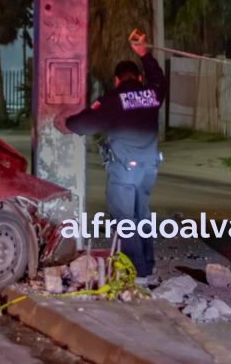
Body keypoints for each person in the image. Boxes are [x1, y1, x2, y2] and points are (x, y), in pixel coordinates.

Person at [59, 31, 166, 278]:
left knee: (125, 221)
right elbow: (159, 79)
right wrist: (144, 53)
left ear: (117, 80)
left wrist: (67, 122)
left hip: (124, 170)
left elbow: (84, 124)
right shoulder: (152, 94)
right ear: (139, 78)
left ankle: (135, 272)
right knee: (141, 215)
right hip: (149, 168)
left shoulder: (114, 99)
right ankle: (147, 265)